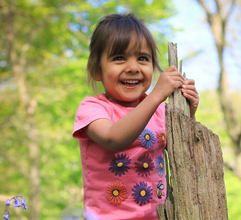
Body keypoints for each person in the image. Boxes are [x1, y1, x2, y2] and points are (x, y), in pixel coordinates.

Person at [73, 13, 199, 220]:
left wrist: (190, 115)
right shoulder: (92, 108)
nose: (133, 68)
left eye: (142, 58)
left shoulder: (160, 112)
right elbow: (114, 139)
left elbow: (188, 157)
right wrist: (157, 95)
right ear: (97, 70)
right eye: (119, 58)